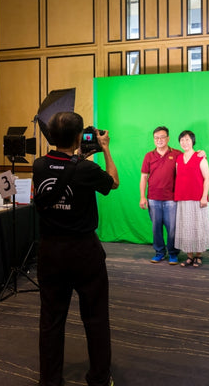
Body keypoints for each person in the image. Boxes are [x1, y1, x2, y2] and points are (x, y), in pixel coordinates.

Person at [33, 111, 119, 386]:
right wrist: (104, 148)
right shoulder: (86, 169)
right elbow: (113, 182)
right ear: (80, 136)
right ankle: (99, 378)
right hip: (84, 253)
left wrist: (76, 156)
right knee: (95, 318)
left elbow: (61, 168)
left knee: (51, 319)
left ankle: (50, 380)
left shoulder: (39, 165)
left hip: (50, 251)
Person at [139, 126, 182, 264]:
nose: (159, 140)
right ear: (154, 140)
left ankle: (173, 253)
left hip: (171, 199)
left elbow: (190, 160)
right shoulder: (149, 156)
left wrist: (201, 153)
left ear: (168, 138)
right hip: (153, 199)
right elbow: (144, 177)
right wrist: (142, 196)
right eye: (156, 138)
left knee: (172, 228)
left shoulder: (177, 154)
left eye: (162, 137)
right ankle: (159, 252)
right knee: (156, 227)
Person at [174, 130, 209, 267]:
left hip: (198, 198)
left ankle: (198, 256)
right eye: (182, 140)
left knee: (198, 226)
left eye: (187, 140)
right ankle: (189, 256)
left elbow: (207, 178)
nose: (185, 142)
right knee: (186, 227)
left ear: (193, 141)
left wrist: (204, 197)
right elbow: (178, 177)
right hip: (183, 198)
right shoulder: (178, 158)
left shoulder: (200, 157)